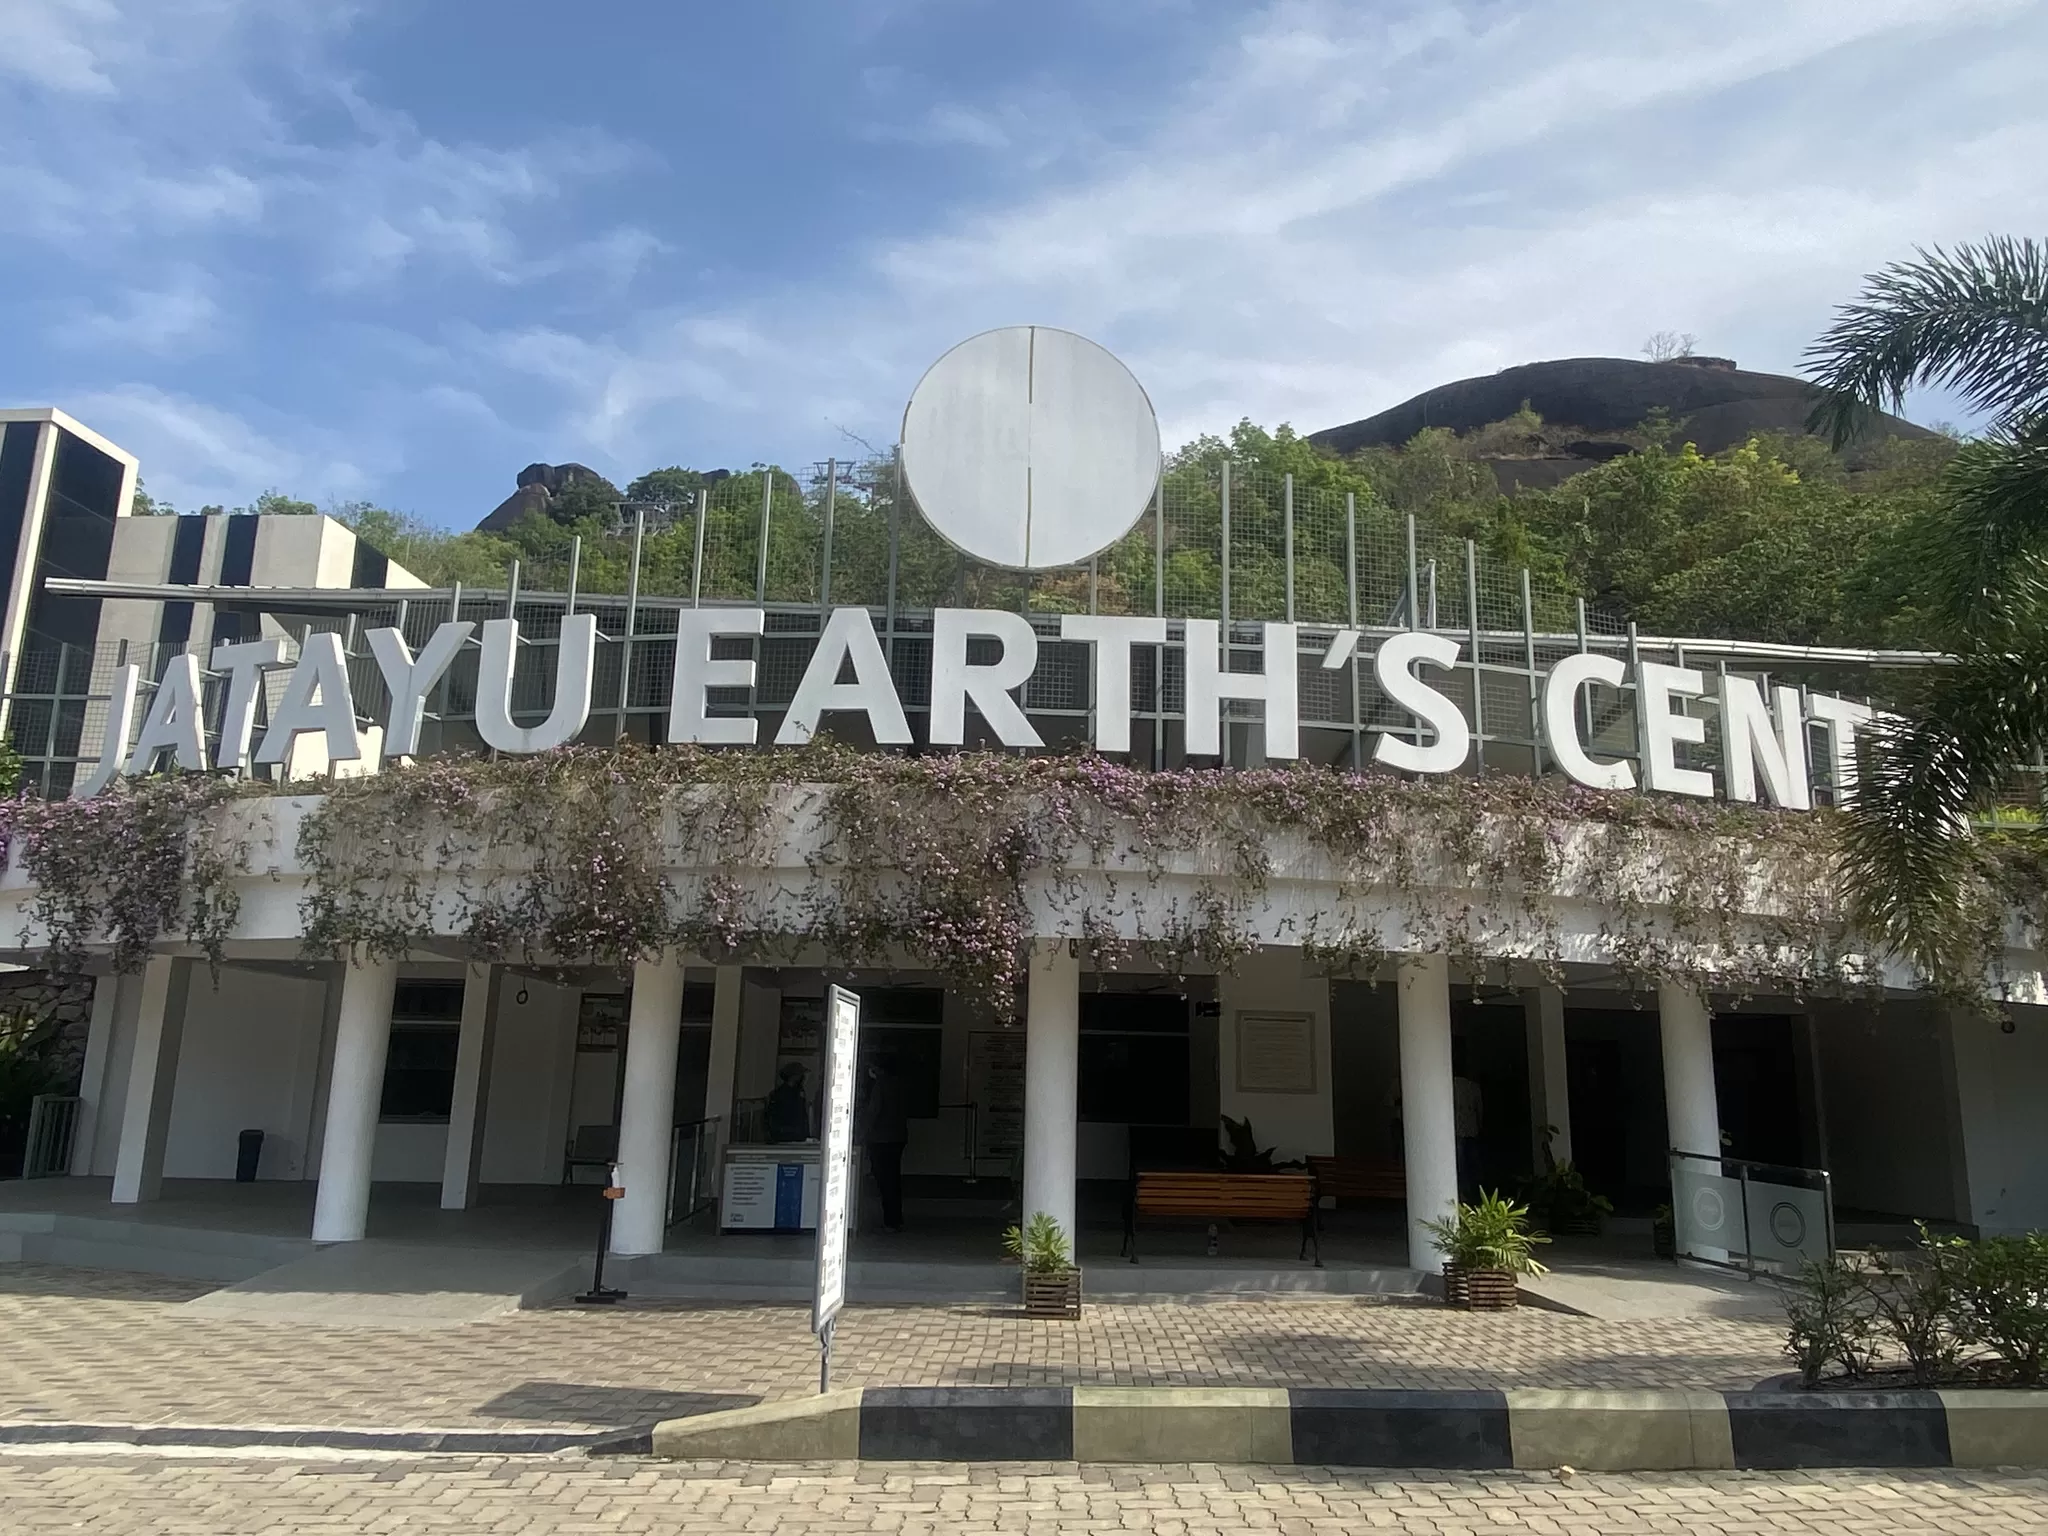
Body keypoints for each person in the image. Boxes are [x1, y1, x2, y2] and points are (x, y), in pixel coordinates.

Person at [856, 1052, 909, 1232]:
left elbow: (873, 1112)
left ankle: (890, 1220)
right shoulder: (901, 1084)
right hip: (898, 1136)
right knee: (893, 1178)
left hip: (880, 1138)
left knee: (883, 1179)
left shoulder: (880, 1086)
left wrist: (861, 1134)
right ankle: (895, 1219)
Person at [764, 1060, 812, 1143]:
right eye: (800, 1074)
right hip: (787, 1137)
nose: (802, 1077)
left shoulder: (797, 1092)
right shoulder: (781, 1094)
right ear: (794, 1076)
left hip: (796, 1136)